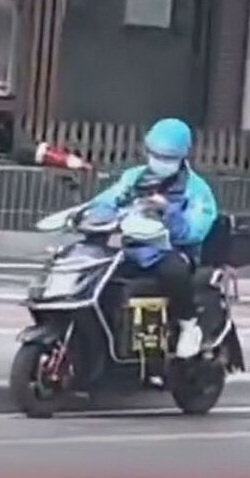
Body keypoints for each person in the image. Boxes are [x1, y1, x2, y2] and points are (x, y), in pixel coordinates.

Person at [87, 118, 218, 359]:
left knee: (173, 271)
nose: (160, 161)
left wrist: (167, 211)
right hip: (132, 249)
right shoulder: (133, 178)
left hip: (172, 252)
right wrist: (92, 214)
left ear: (183, 156)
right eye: (156, 155)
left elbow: (195, 230)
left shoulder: (196, 189)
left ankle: (189, 325)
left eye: (168, 157)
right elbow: (106, 201)